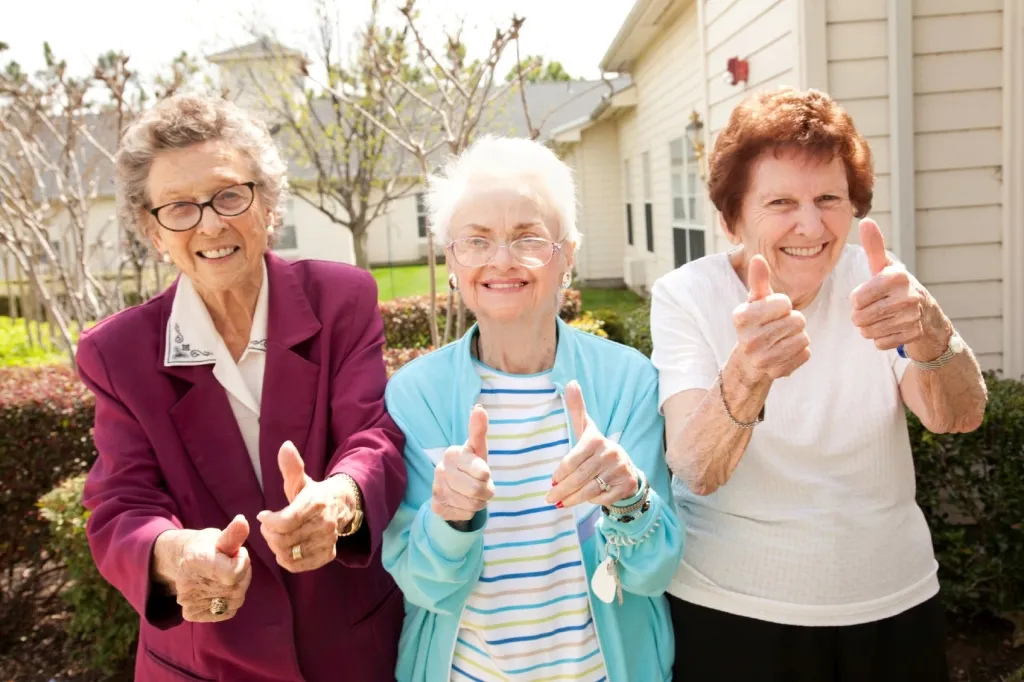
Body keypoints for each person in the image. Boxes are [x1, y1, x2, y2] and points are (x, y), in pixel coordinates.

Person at [650, 86, 988, 682]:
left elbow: (957, 416)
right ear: (732, 220)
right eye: (780, 201)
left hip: (893, 603)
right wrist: (749, 370)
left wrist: (933, 331)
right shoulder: (687, 296)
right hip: (732, 611)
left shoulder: (878, 283)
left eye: (829, 197)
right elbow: (695, 466)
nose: (810, 224)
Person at [77, 94, 407, 682]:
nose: (209, 223)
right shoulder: (117, 353)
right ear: (152, 231)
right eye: (179, 207)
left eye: (229, 195)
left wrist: (339, 500)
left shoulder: (342, 301)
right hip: (204, 662)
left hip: (350, 652)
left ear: (268, 204)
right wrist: (175, 555)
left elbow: (371, 436)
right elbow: (121, 503)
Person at [381, 136, 683, 682]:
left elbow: (653, 570)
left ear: (567, 255)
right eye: (477, 240)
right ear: (452, 260)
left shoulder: (627, 381)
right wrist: (450, 517)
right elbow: (422, 584)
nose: (501, 260)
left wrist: (628, 497)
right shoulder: (414, 393)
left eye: (528, 238)